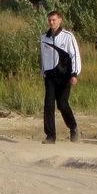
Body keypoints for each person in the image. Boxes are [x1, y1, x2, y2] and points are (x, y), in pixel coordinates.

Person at [40, 10, 81, 143]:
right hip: (50, 75)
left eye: (54, 20)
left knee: (62, 104)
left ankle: (73, 126)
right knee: (48, 104)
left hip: (64, 75)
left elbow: (75, 55)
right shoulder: (44, 38)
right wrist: (43, 72)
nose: (51, 22)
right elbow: (43, 57)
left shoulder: (68, 36)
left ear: (60, 20)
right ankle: (50, 136)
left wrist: (74, 73)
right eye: (50, 20)